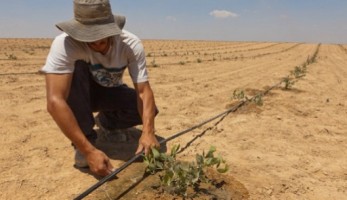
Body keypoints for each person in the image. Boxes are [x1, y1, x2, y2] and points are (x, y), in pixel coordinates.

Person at [41, 0, 160, 177]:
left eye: (102, 37)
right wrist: (88, 151)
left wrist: (149, 131)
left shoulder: (130, 44)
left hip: (109, 90)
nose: (97, 43)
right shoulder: (65, 45)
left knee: (146, 110)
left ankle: (105, 124)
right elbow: (55, 101)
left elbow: (143, 91)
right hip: (79, 95)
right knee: (76, 70)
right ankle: (85, 141)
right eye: (90, 38)